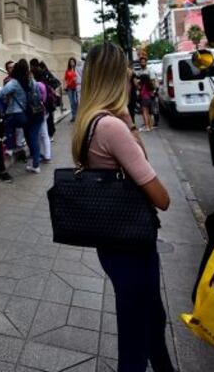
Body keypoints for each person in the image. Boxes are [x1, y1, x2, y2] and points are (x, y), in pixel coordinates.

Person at [72, 42, 172, 372]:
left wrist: (128, 120)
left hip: (111, 237)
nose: (131, 82)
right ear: (117, 78)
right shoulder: (111, 127)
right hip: (132, 238)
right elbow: (162, 198)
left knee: (150, 316)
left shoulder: (88, 121)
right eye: (127, 76)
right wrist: (126, 125)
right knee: (136, 329)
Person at [0, 59, 43, 173]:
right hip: (35, 113)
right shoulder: (32, 81)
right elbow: (39, 97)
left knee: (7, 122)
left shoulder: (14, 83)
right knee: (33, 138)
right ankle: (35, 164)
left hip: (20, 114)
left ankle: (10, 147)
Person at [32, 68, 52, 163]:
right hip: (45, 111)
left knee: (41, 135)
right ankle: (47, 154)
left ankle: (43, 155)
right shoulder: (44, 84)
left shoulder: (36, 84)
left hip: (39, 111)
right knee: (45, 134)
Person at [64, 56, 80, 122]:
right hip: (70, 88)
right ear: (69, 63)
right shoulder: (67, 71)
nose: (72, 63)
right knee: (72, 102)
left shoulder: (77, 69)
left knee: (76, 102)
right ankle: (73, 116)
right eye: (71, 62)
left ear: (75, 62)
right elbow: (65, 79)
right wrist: (66, 84)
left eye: (73, 62)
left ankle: (77, 115)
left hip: (76, 87)